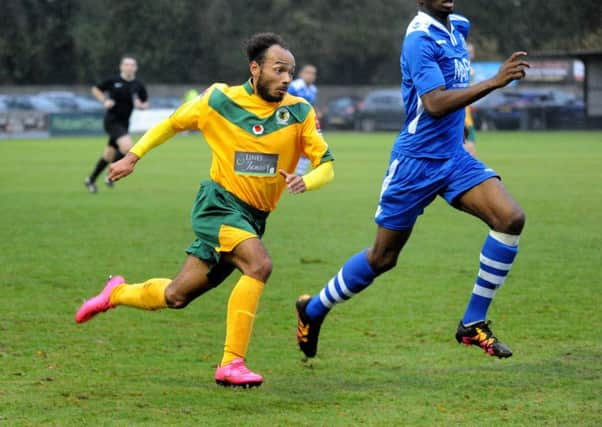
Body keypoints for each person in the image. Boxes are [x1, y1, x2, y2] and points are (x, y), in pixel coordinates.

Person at [75, 33, 335, 388]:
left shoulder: (299, 112)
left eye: (290, 71)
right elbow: (172, 123)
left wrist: (308, 181)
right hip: (219, 206)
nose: (287, 78)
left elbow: (326, 164)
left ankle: (115, 294)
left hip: (253, 218)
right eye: (279, 70)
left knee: (177, 295)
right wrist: (133, 156)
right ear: (255, 69)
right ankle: (231, 364)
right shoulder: (218, 99)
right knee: (259, 265)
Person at [296, 0, 529, 361]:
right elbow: (434, 104)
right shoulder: (419, 40)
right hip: (415, 163)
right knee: (383, 257)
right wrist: (494, 81)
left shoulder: (457, 26)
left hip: (453, 157)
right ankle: (313, 310)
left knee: (510, 218)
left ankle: (473, 323)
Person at [85, 55, 149, 193]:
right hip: (112, 121)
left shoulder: (138, 85)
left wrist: (141, 105)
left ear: (136, 68)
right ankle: (111, 173)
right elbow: (96, 89)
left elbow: (145, 102)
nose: (129, 67)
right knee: (128, 147)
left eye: (132, 65)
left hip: (125, 124)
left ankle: (91, 180)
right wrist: (104, 101)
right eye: (126, 64)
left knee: (108, 155)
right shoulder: (113, 81)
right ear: (121, 67)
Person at [288, 64, 318, 175]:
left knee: (308, 147)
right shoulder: (294, 87)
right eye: (308, 72)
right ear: (301, 74)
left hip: (306, 123)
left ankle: (299, 175)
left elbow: (310, 106)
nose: (311, 76)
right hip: (292, 123)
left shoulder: (313, 89)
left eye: (313, 73)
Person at [464, 42, 477, 156]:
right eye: (467, 52)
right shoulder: (463, 71)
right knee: (470, 155)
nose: (469, 55)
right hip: (462, 119)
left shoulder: (471, 71)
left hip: (468, 119)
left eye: (471, 52)